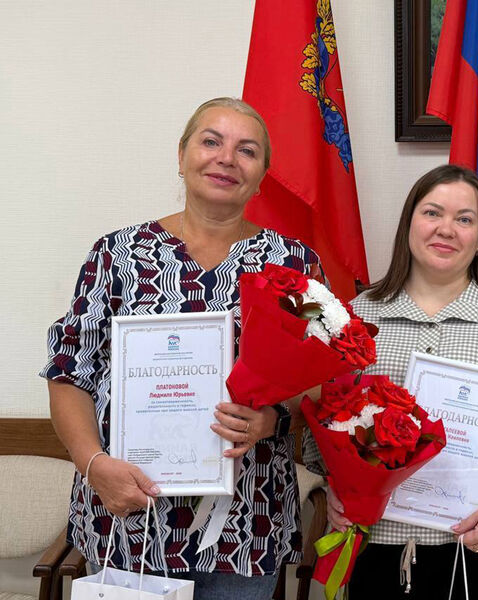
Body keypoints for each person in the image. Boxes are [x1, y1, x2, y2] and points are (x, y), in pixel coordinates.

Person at [40, 97, 322, 599]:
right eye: (211, 141)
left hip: (245, 522)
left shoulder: (293, 264)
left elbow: (322, 384)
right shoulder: (116, 255)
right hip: (128, 514)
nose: (226, 158)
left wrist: (271, 420)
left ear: (262, 175)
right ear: (181, 154)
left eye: (247, 150)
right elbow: (70, 372)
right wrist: (93, 465)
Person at [303, 164, 478, 599]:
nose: (447, 229)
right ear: (409, 223)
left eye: (465, 219)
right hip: (377, 543)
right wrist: (335, 490)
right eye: (432, 213)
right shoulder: (357, 316)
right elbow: (327, 418)